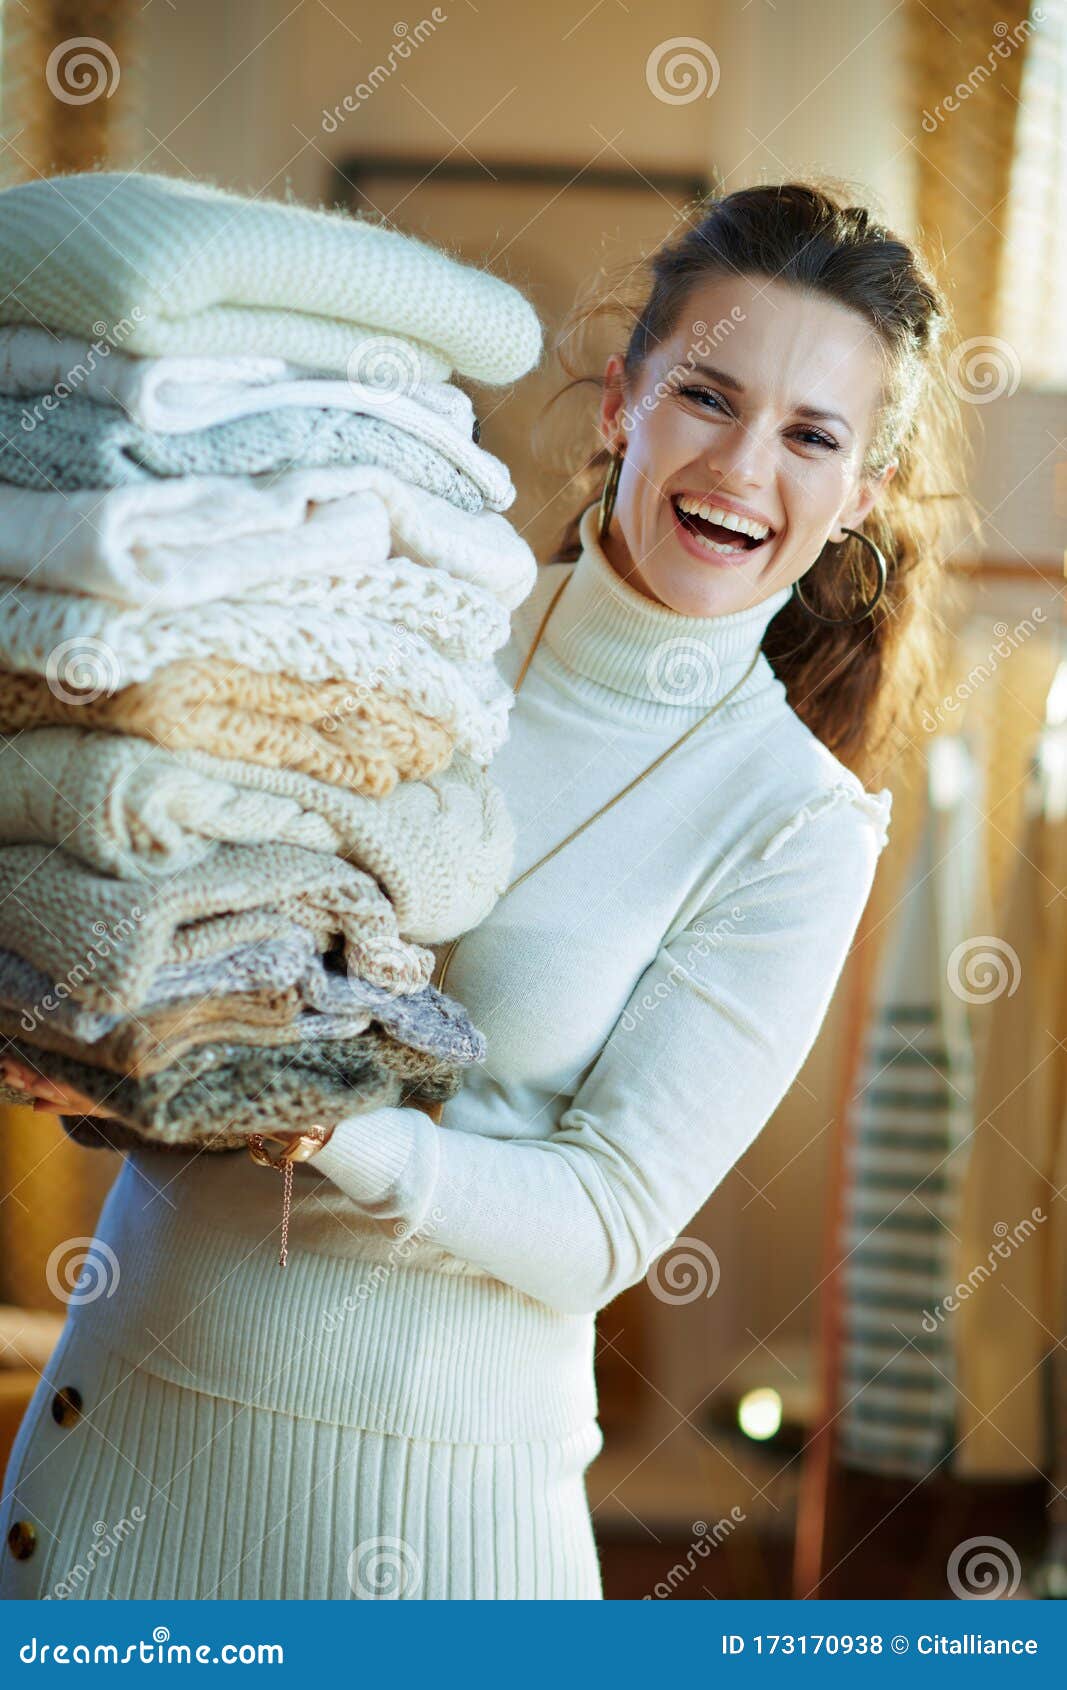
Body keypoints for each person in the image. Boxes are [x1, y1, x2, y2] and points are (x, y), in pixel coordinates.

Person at [0, 180, 971, 1601]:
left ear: (860, 494)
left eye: (812, 434)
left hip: (425, 1508)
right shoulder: (392, 598)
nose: (746, 465)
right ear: (621, 403)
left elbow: (605, 1220)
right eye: (708, 394)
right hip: (119, 1419)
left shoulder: (796, 825)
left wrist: (329, 1120)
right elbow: (138, 872)